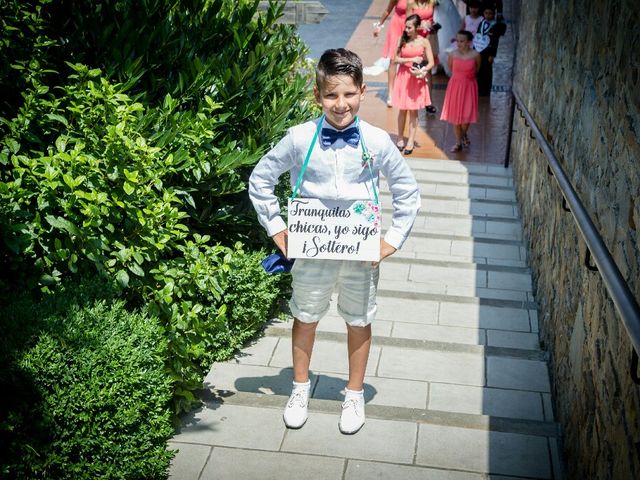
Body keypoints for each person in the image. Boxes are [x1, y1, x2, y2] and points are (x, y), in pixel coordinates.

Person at [248, 48, 420, 435]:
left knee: (358, 320)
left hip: (361, 254)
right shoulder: (299, 137)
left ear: (361, 91)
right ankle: (299, 388)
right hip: (312, 252)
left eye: (348, 94)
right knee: (305, 316)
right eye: (331, 95)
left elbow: (407, 191)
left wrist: (390, 240)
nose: (340, 104)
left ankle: (354, 393)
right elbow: (260, 180)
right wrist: (277, 229)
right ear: (317, 96)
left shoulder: (376, 141)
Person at [392, 14, 435, 155]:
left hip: (416, 78)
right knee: (402, 109)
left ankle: (410, 140)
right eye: (406, 26)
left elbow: (431, 63)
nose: (407, 29)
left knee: (413, 110)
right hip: (403, 76)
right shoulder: (402, 39)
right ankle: (399, 138)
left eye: (410, 27)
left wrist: (423, 70)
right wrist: (410, 59)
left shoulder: (424, 42)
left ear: (417, 27)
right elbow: (395, 59)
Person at [440, 30, 480, 152]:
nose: (459, 43)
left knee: (466, 117)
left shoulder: (476, 55)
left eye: (462, 41)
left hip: (469, 86)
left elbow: (477, 69)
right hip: (455, 86)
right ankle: (458, 143)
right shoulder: (452, 54)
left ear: (469, 42)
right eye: (457, 40)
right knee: (456, 117)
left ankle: (463, 135)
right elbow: (451, 68)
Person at [407, 0, 439, 114]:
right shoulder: (411, 3)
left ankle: (428, 102)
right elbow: (406, 24)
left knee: (427, 69)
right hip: (415, 39)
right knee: (412, 68)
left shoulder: (433, 2)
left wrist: (433, 26)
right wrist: (420, 27)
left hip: (430, 37)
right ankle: (411, 98)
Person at [373, 0, 407, 107]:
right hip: (397, 26)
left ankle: (404, 90)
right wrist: (378, 26)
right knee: (393, 59)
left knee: (407, 59)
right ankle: (391, 94)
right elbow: (388, 10)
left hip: (410, 27)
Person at [473, 6, 506, 96]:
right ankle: (479, 89)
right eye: (486, 13)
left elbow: (495, 41)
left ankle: (486, 90)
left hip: (488, 52)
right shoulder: (482, 23)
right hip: (480, 50)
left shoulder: (496, 25)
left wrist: (492, 54)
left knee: (487, 70)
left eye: (490, 13)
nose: (488, 15)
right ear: (483, 14)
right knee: (479, 70)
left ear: (494, 14)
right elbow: (478, 36)